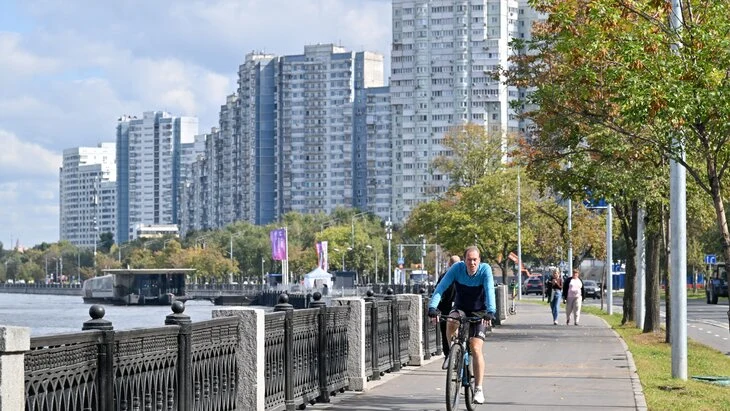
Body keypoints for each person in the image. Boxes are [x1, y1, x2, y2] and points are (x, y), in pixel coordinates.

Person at [427, 246, 496, 405]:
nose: (472, 263)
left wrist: (491, 311)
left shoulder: (485, 270)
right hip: (461, 308)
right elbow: (441, 288)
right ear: (464, 260)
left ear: (479, 260)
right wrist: (432, 307)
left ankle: (478, 388)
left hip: (480, 311)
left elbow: (489, 290)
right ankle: (453, 353)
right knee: (450, 320)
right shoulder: (457, 269)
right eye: (469, 260)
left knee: (476, 348)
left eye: (475, 260)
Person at [435, 255, 461, 369]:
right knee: (449, 331)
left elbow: (437, 292)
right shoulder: (447, 276)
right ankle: (452, 355)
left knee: (446, 333)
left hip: (450, 309)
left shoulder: (445, 276)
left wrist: (436, 308)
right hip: (453, 309)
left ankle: (449, 355)